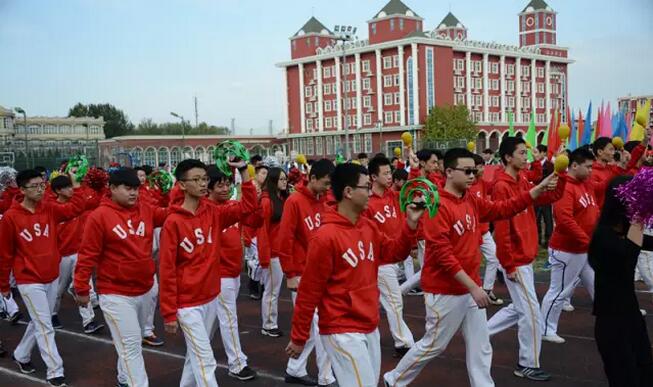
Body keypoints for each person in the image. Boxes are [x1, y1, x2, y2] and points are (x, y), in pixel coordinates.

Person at [383, 148, 559, 387]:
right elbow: (443, 255)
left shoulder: (471, 199)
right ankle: (394, 379)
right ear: (448, 172)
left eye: (474, 171)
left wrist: (535, 191)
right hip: (445, 291)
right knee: (433, 345)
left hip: (469, 287)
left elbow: (502, 209)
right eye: (467, 171)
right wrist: (474, 287)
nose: (473, 176)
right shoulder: (437, 206)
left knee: (481, 345)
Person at [286, 163, 424, 387]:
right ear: (348, 192)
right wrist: (299, 337)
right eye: (365, 187)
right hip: (341, 329)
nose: (370, 192)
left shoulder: (368, 227)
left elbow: (393, 252)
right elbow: (309, 292)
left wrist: (410, 224)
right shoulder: (325, 237)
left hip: (368, 324)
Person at [158, 159, 258, 386]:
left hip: (210, 297)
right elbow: (166, 269)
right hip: (187, 304)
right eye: (196, 179)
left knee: (195, 358)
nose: (203, 184)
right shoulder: (173, 222)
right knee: (205, 360)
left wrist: (243, 171)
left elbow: (248, 207)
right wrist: (169, 312)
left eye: (204, 179)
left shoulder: (213, 212)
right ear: (182, 185)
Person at [74, 167, 168, 387]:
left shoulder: (146, 209)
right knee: (132, 346)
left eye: (136, 188)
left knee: (129, 344)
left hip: (144, 288)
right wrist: (81, 288)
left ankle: (124, 378)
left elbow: (169, 213)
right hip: (115, 294)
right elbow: (87, 255)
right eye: (128, 188)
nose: (133, 193)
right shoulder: (99, 216)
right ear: (113, 189)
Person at [487, 137, 566, 382]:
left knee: (520, 307)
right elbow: (501, 229)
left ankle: (479, 332)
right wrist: (508, 264)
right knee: (531, 313)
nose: (526, 156)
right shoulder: (501, 186)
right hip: (516, 260)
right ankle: (527, 364)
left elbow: (550, 197)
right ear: (508, 157)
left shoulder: (521, 179)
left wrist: (560, 172)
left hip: (525, 256)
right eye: (521, 153)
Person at [0, 168, 87, 387]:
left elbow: (75, 208)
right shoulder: (11, 217)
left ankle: (21, 354)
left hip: (51, 275)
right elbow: (5, 253)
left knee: (40, 321)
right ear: (22, 189)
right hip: (29, 279)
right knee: (45, 325)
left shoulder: (49, 208)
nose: (40, 189)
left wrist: (76, 184)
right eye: (35, 186)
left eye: (42, 185)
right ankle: (55, 370)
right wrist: (3, 285)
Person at [589, 176, 653, 387]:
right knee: (626, 379)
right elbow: (628, 260)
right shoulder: (602, 236)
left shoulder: (623, 231)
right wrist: (639, 217)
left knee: (645, 372)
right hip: (611, 322)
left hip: (631, 316)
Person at [277, 158, 336, 386]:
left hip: (322, 273)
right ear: (312, 179)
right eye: (325, 183)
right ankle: (326, 376)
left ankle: (295, 368)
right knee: (321, 324)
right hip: (302, 274)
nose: (328, 188)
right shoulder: (295, 201)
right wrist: (290, 273)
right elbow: (285, 239)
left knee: (315, 328)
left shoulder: (325, 200)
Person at [540, 147, 599, 343]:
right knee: (559, 291)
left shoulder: (586, 184)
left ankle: (612, 319)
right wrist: (587, 240)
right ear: (574, 165)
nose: (591, 171)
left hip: (583, 249)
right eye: (588, 167)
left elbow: (593, 211)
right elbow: (564, 219)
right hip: (567, 249)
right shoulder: (566, 187)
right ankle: (546, 328)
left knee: (598, 285)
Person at [206, 165, 259, 381]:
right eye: (220, 185)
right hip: (219, 275)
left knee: (213, 322)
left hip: (233, 272)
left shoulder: (230, 206)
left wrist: (246, 176)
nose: (226, 188)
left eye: (228, 184)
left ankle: (198, 354)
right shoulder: (208, 211)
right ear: (207, 188)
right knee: (229, 319)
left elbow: (251, 211)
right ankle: (237, 363)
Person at [363, 156, 415, 357]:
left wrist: (408, 243)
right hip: (380, 260)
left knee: (378, 303)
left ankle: (364, 336)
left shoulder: (393, 196)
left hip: (395, 256)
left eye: (389, 172)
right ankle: (404, 343)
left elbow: (403, 220)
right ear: (373, 176)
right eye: (384, 173)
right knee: (394, 301)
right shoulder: (367, 202)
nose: (389, 177)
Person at [49, 175, 104, 334]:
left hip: (79, 254)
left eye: (71, 186)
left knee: (83, 286)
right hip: (62, 256)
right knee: (58, 290)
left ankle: (88, 321)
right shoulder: (52, 208)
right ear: (58, 191)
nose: (71, 189)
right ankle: (52, 313)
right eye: (67, 187)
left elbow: (90, 202)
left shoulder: (77, 204)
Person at [257, 167, 289, 338]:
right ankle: (269, 324)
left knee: (275, 290)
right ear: (273, 181)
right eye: (281, 179)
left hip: (281, 252)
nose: (284, 182)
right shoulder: (266, 201)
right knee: (272, 290)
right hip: (272, 254)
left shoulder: (282, 199)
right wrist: (265, 256)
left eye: (286, 179)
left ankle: (270, 322)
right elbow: (262, 231)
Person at [469, 154, 503, 306]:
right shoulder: (467, 185)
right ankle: (470, 293)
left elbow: (495, 185)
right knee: (471, 263)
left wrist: (504, 169)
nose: (483, 169)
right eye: (480, 166)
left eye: (483, 165)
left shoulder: (482, 183)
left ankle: (488, 290)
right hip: (471, 233)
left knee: (494, 258)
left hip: (484, 231)